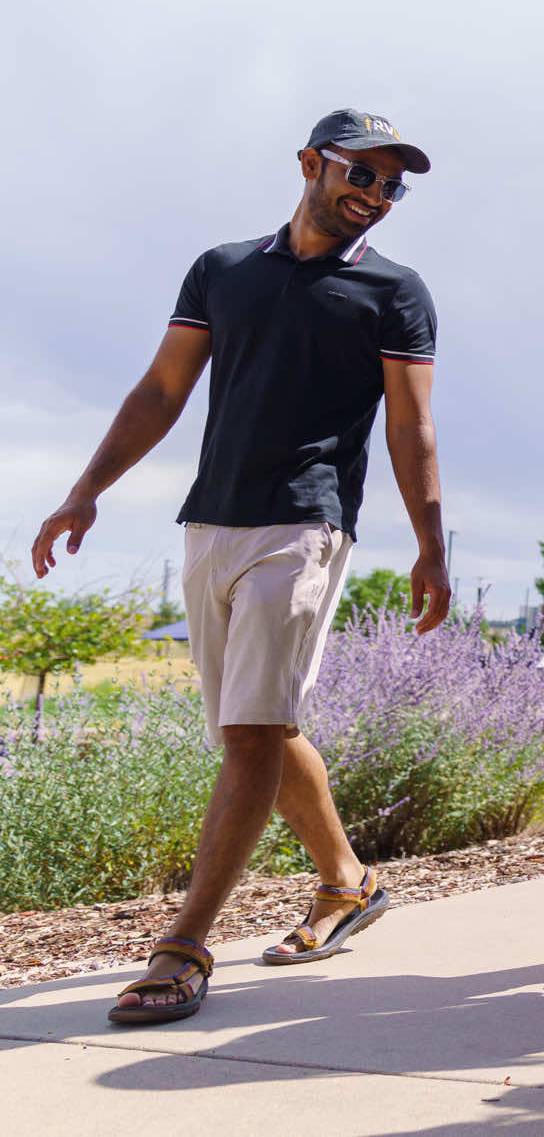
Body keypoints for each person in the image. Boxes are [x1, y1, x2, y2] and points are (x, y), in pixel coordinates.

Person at [31, 109, 449, 1025]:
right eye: (361, 174)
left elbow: (410, 424)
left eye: (391, 185)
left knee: (255, 732)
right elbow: (162, 387)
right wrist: (85, 488)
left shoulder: (394, 291)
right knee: (251, 729)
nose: (375, 196)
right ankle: (346, 882)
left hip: (305, 523)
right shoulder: (222, 269)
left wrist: (432, 543)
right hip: (210, 519)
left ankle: (182, 948)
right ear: (310, 162)